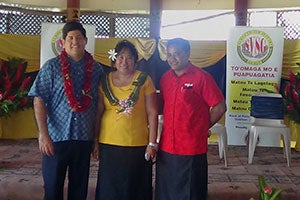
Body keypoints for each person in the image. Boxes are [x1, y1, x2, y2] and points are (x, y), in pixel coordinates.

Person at [28, 21, 103, 200]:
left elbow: (101, 105)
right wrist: (43, 135)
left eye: (78, 37)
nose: (74, 41)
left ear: (85, 40)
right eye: (70, 38)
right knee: (53, 188)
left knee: (79, 189)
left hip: (83, 138)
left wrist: (96, 139)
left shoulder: (97, 69)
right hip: (55, 138)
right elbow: (39, 100)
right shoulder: (51, 67)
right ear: (63, 42)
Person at [155, 38, 226, 200]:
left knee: (191, 192)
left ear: (187, 54)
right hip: (167, 146)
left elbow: (220, 106)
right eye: (169, 54)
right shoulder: (165, 78)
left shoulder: (202, 77)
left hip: (191, 148)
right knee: (166, 191)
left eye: (177, 54)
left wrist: (202, 128)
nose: (172, 58)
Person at [94, 39, 158, 200]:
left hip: (137, 144)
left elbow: (152, 112)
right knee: (110, 189)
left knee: (136, 188)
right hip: (109, 143)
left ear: (135, 61)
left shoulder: (145, 79)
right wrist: (94, 140)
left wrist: (152, 143)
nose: (124, 61)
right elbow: (98, 112)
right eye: (121, 57)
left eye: (129, 57)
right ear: (114, 59)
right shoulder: (104, 81)